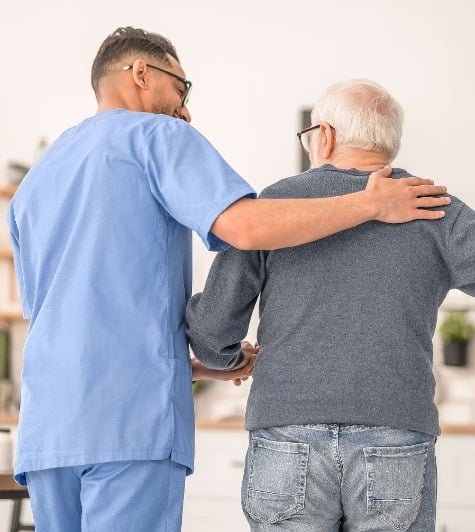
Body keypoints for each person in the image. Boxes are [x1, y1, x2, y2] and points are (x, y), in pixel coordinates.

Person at [7, 23, 449, 531]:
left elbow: (62, 315)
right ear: (142, 73)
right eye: (181, 88)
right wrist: (371, 203)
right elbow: (247, 227)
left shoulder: (37, 179)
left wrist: (194, 364)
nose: (185, 108)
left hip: (49, 427)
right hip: (130, 425)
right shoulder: (158, 135)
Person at [185, 78, 475, 531]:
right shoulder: (435, 207)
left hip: (286, 430)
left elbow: (211, 331)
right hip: (396, 430)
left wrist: (226, 358)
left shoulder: (273, 205)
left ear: (325, 136)